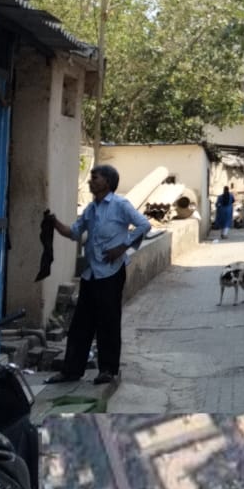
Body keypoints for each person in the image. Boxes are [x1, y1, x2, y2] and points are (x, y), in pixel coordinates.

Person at [44, 164, 151, 387]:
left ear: (107, 182)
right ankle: (71, 371)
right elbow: (74, 232)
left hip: (111, 273)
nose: (90, 181)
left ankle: (108, 370)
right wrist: (55, 223)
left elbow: (144, 225)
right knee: (80, 324)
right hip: (91, 274)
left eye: (95, 177)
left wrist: (122, 247)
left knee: (108, 323)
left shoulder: (120, 204)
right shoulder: (91, 209)